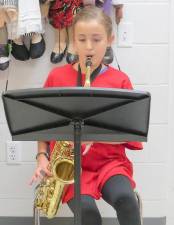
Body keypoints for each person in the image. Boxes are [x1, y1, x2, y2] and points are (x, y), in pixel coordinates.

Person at [30, 6, 143, 225]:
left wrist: (95, 135)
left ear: (109, 40)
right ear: (74, 40)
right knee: (88, 214)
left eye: (96, 39)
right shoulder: (56, 77)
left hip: (111, 164)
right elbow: (42, 127)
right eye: (81, 40)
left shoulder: (121, 81)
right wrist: (42, 157)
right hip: (71, 167)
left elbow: (130, 135)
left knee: (127, 200)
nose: (88, 47)